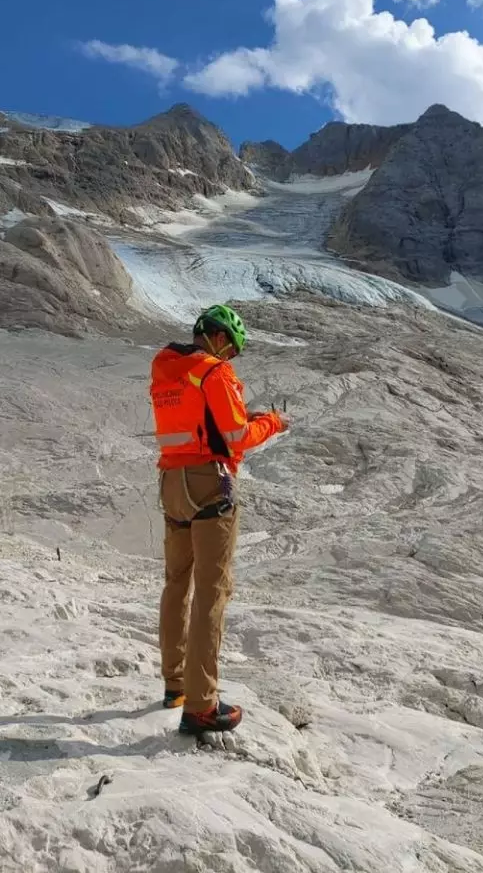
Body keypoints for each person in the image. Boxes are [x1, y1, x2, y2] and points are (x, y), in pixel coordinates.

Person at [150, 304, 288, 735]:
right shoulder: (215, 372)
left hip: (172, 480)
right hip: (209, 481)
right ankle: (202, 704)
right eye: (232, 350)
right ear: (222, 340)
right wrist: (272, 422)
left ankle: (175, 685)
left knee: (177, 583)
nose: (230, 358)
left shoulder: (167, 367)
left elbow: (197, 422)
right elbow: (235, 436)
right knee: (212, 590)